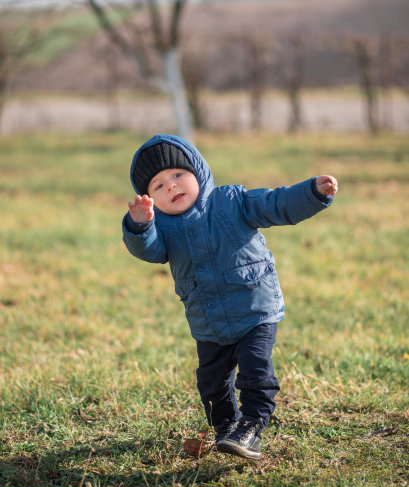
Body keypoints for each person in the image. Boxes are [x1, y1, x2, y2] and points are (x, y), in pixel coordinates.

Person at [122, 134, 338, 460]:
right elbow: (151, 251)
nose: (171, 187)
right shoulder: (162, 227)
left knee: (255, 369)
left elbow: (276, 204)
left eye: (178, 175)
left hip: (254, 307)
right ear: (149, 197)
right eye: (158, 186)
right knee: (211, 383)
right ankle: (227, 428)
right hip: (207, 319)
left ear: (198, 171)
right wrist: (140, 226)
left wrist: (312, 192)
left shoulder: (231, 201)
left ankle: (252, 426)